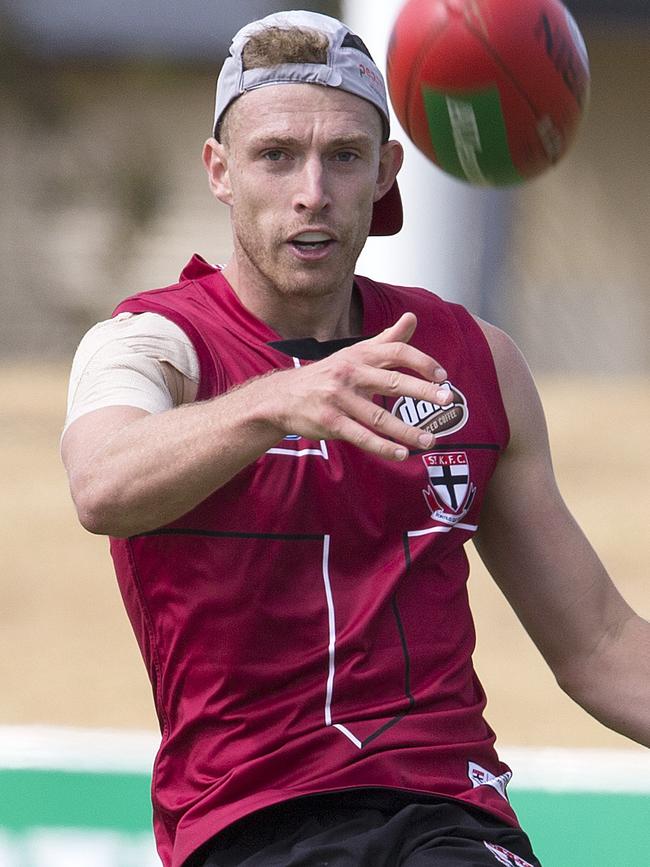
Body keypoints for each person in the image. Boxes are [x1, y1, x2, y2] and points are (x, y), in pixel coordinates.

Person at [61, 10, 650, 867]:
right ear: (220, 172)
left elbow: (599, 644)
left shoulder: (475, 360)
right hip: (248, 826)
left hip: (450, 814)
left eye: (343, 156)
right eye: (276, 156)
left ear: (386, 172)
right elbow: (100, 484)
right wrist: (280, 400)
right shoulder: (151, 345)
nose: (312, 190)